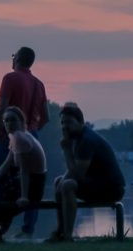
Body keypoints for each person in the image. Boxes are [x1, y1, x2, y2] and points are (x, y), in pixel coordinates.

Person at [0, 46, 48, 237]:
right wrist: (31, 130)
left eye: (13, 56)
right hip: (33, 135)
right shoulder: (39, 84)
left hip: (11, 134)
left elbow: (2, 108)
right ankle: (28, 229)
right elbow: (46, 117)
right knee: (33, 181)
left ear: (17, 58)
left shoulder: (10, 78)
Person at [49, 103, 125, 242]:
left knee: (67, 185)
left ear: (81, 122)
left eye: (69, 122)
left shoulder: (86, 140)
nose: (65, 126)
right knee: (59, 181)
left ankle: (67, 236)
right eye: (62, 123)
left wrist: (66, 149)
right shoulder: (77, 138)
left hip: (111, 189)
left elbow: (77, 175)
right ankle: (60, 231)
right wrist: (60, 183)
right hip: (96, 183)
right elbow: (75, 171)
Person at [0, 107, 47, 243]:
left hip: (33, 186)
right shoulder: (15, 137)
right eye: (6, 121)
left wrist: (24, 197)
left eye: (13, 120)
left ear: (21, 121)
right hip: (23, 180)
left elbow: (24, 171)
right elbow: (7, 164)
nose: (9, 123)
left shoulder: (20, 138)